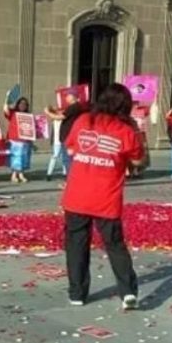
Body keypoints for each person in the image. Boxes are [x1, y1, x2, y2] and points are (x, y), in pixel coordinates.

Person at [62, 82, 145, 310]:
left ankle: (77, 293)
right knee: (115, 245)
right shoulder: (126, 130)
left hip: (77, 194)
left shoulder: (83, 121)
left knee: (76, 244)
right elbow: (139, 161)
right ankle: (127, 291)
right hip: (106, 197)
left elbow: (70, 148)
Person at [44, 90, 81, 182]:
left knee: (68, 159)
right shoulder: (73, 107)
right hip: (66, 137)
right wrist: (52, 110)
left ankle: (70, 180)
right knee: (67, 159)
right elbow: (60, 114)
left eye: (68, 95)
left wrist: (48, 113)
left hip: (68, 137)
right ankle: (69, 179)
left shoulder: (74, 107)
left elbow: (59, 117)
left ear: (73, 96)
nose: (66, 98)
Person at [5, 97, 33, 184]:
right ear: (18, 104)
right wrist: (7, 98)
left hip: (25, 140)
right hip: (15, 139)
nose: (23, 105)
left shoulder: (28, 115)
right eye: (21, 103)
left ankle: (21, 174)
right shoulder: (13, 113)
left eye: (25, 104)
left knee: (24, 158)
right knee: (16, 157)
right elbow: (6, 109)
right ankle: (14, 175)